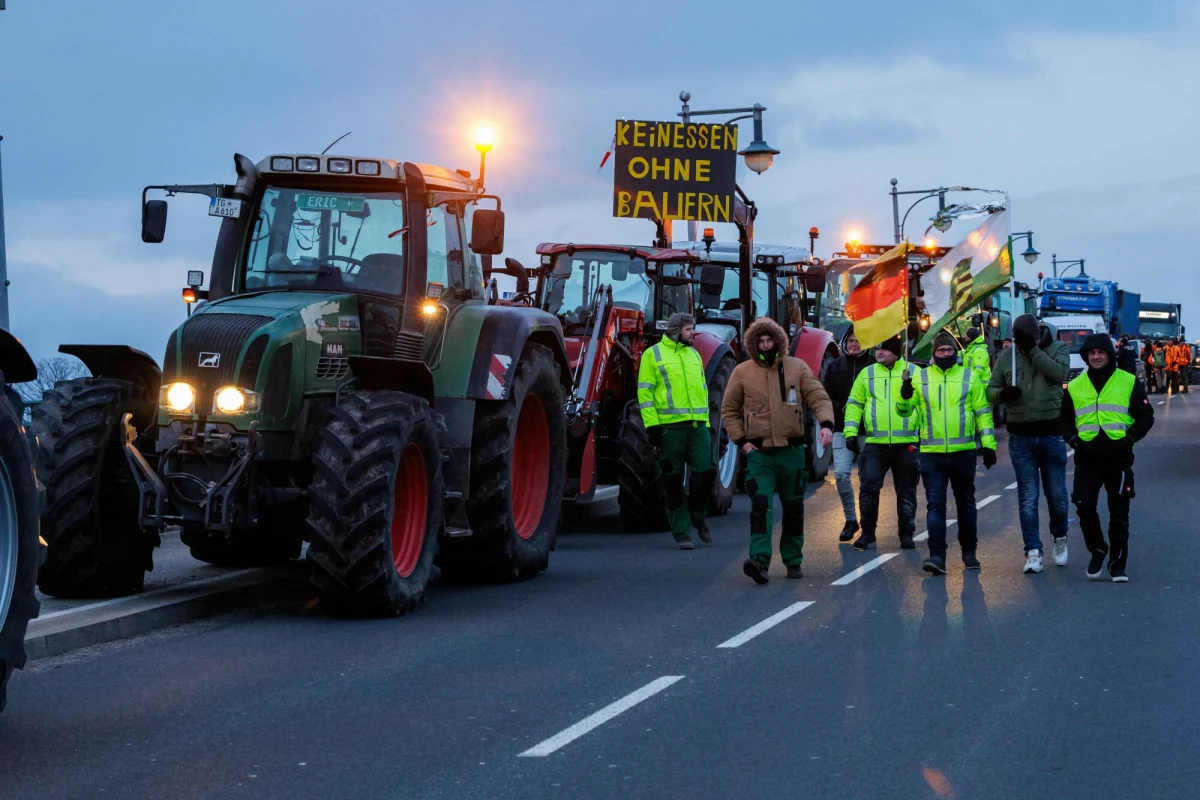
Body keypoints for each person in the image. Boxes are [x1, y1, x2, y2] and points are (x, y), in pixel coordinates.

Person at [722, 318, 834, 583]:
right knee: (760, 506)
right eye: (760, 341)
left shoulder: (797, 367)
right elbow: (728, 410)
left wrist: (826, 425)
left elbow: (818, 397)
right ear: (753, 343)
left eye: (769, 340)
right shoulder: (743, 371)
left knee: (793, 508)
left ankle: (793, 560)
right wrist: (741, 442)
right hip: (759, 454)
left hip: (791, 451)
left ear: (778, 341)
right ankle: (759, 561)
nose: (765, 345)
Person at [1060, 333, 1154, 582]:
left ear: (1110, 354)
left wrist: (1130, 438)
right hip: (1087, 457)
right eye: (1091, 353)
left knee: (1119, 514)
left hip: (1119, 457)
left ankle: (1117, 563)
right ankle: (1098, 548)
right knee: (1084, 505)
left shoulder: (1128, 381)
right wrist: (1072, 439)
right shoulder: (1076, 385)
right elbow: (1064, 419)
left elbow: (1146, 416)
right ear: (1086, 357)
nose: (1096, 357)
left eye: (1101, 352)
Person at [901, 331, 997, 574]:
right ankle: (937, 556)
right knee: (935, 506)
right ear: (933, 353)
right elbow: (905, 411)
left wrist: (988, 445)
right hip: (932, 454)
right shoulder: (920, 378)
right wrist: (904, 396)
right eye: (941, 350)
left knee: (966, 504)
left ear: (956, 352)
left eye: (949, 350)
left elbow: (982, 413)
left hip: (963, 453)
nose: (945, 354)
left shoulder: (969, 377)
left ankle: (969, 552)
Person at [987, 314, 1071, 573]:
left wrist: (1033, 350)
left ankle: (1059, 537)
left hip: (1051, 433)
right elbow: (990, 389)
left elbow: (1058, 374)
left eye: (1023, 336)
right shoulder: (1007, 356)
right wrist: (1003, 394)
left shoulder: (1059, 348)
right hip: (1020, 436)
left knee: (1056, 495)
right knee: (1028, 496)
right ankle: (1032, 551)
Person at [637, 312, 714, 550]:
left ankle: (698, 515)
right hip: (670, 430)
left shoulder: (694, 355)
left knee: (705, 473)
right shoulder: (653, 355)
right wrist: (652, 427)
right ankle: (682, 534)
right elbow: (645, 393)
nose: (694, 333)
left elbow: (703, 391)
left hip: (698, 426)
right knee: (672, 482)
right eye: (690, 329)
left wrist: (707, 426)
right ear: (676, 330)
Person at [842, 333, 920, 551]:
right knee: (868, 489)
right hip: (875, 443)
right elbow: (854, 404)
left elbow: (925, 405)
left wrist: (926, 435)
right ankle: (868, 533)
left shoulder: (913, 373)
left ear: (895, 352)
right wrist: (850, 432)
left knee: (906, 491)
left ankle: (906, 534)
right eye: (876, 348)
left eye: (884, 349)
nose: (878, 352)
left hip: (907, 443)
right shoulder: (867, 375)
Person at [824, 326, 875, 541]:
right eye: (851, 341)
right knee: (841, 475)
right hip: (841, 429)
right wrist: (840, 408)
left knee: (868, 479)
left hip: (868, 431)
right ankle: (850, 519)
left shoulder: (873, 367)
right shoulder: (835, 366)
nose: (854, 345)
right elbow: (825, 396)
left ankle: (868, 524)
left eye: (859, 341)